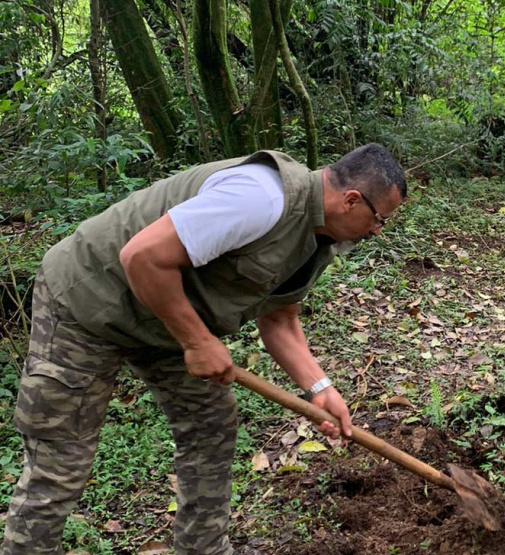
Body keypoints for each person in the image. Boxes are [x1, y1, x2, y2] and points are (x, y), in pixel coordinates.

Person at [2, 143, 407, 555]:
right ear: (350, 200)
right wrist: (197, 342)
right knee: (61, 462)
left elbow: (280, 318)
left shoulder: (318, 238)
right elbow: (141, 256)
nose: (378, 231)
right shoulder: (259, 199)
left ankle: (204, 549)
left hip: (166, 315)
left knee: (210, 425)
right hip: (88, 300)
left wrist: (320, 388)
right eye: (380, 219)